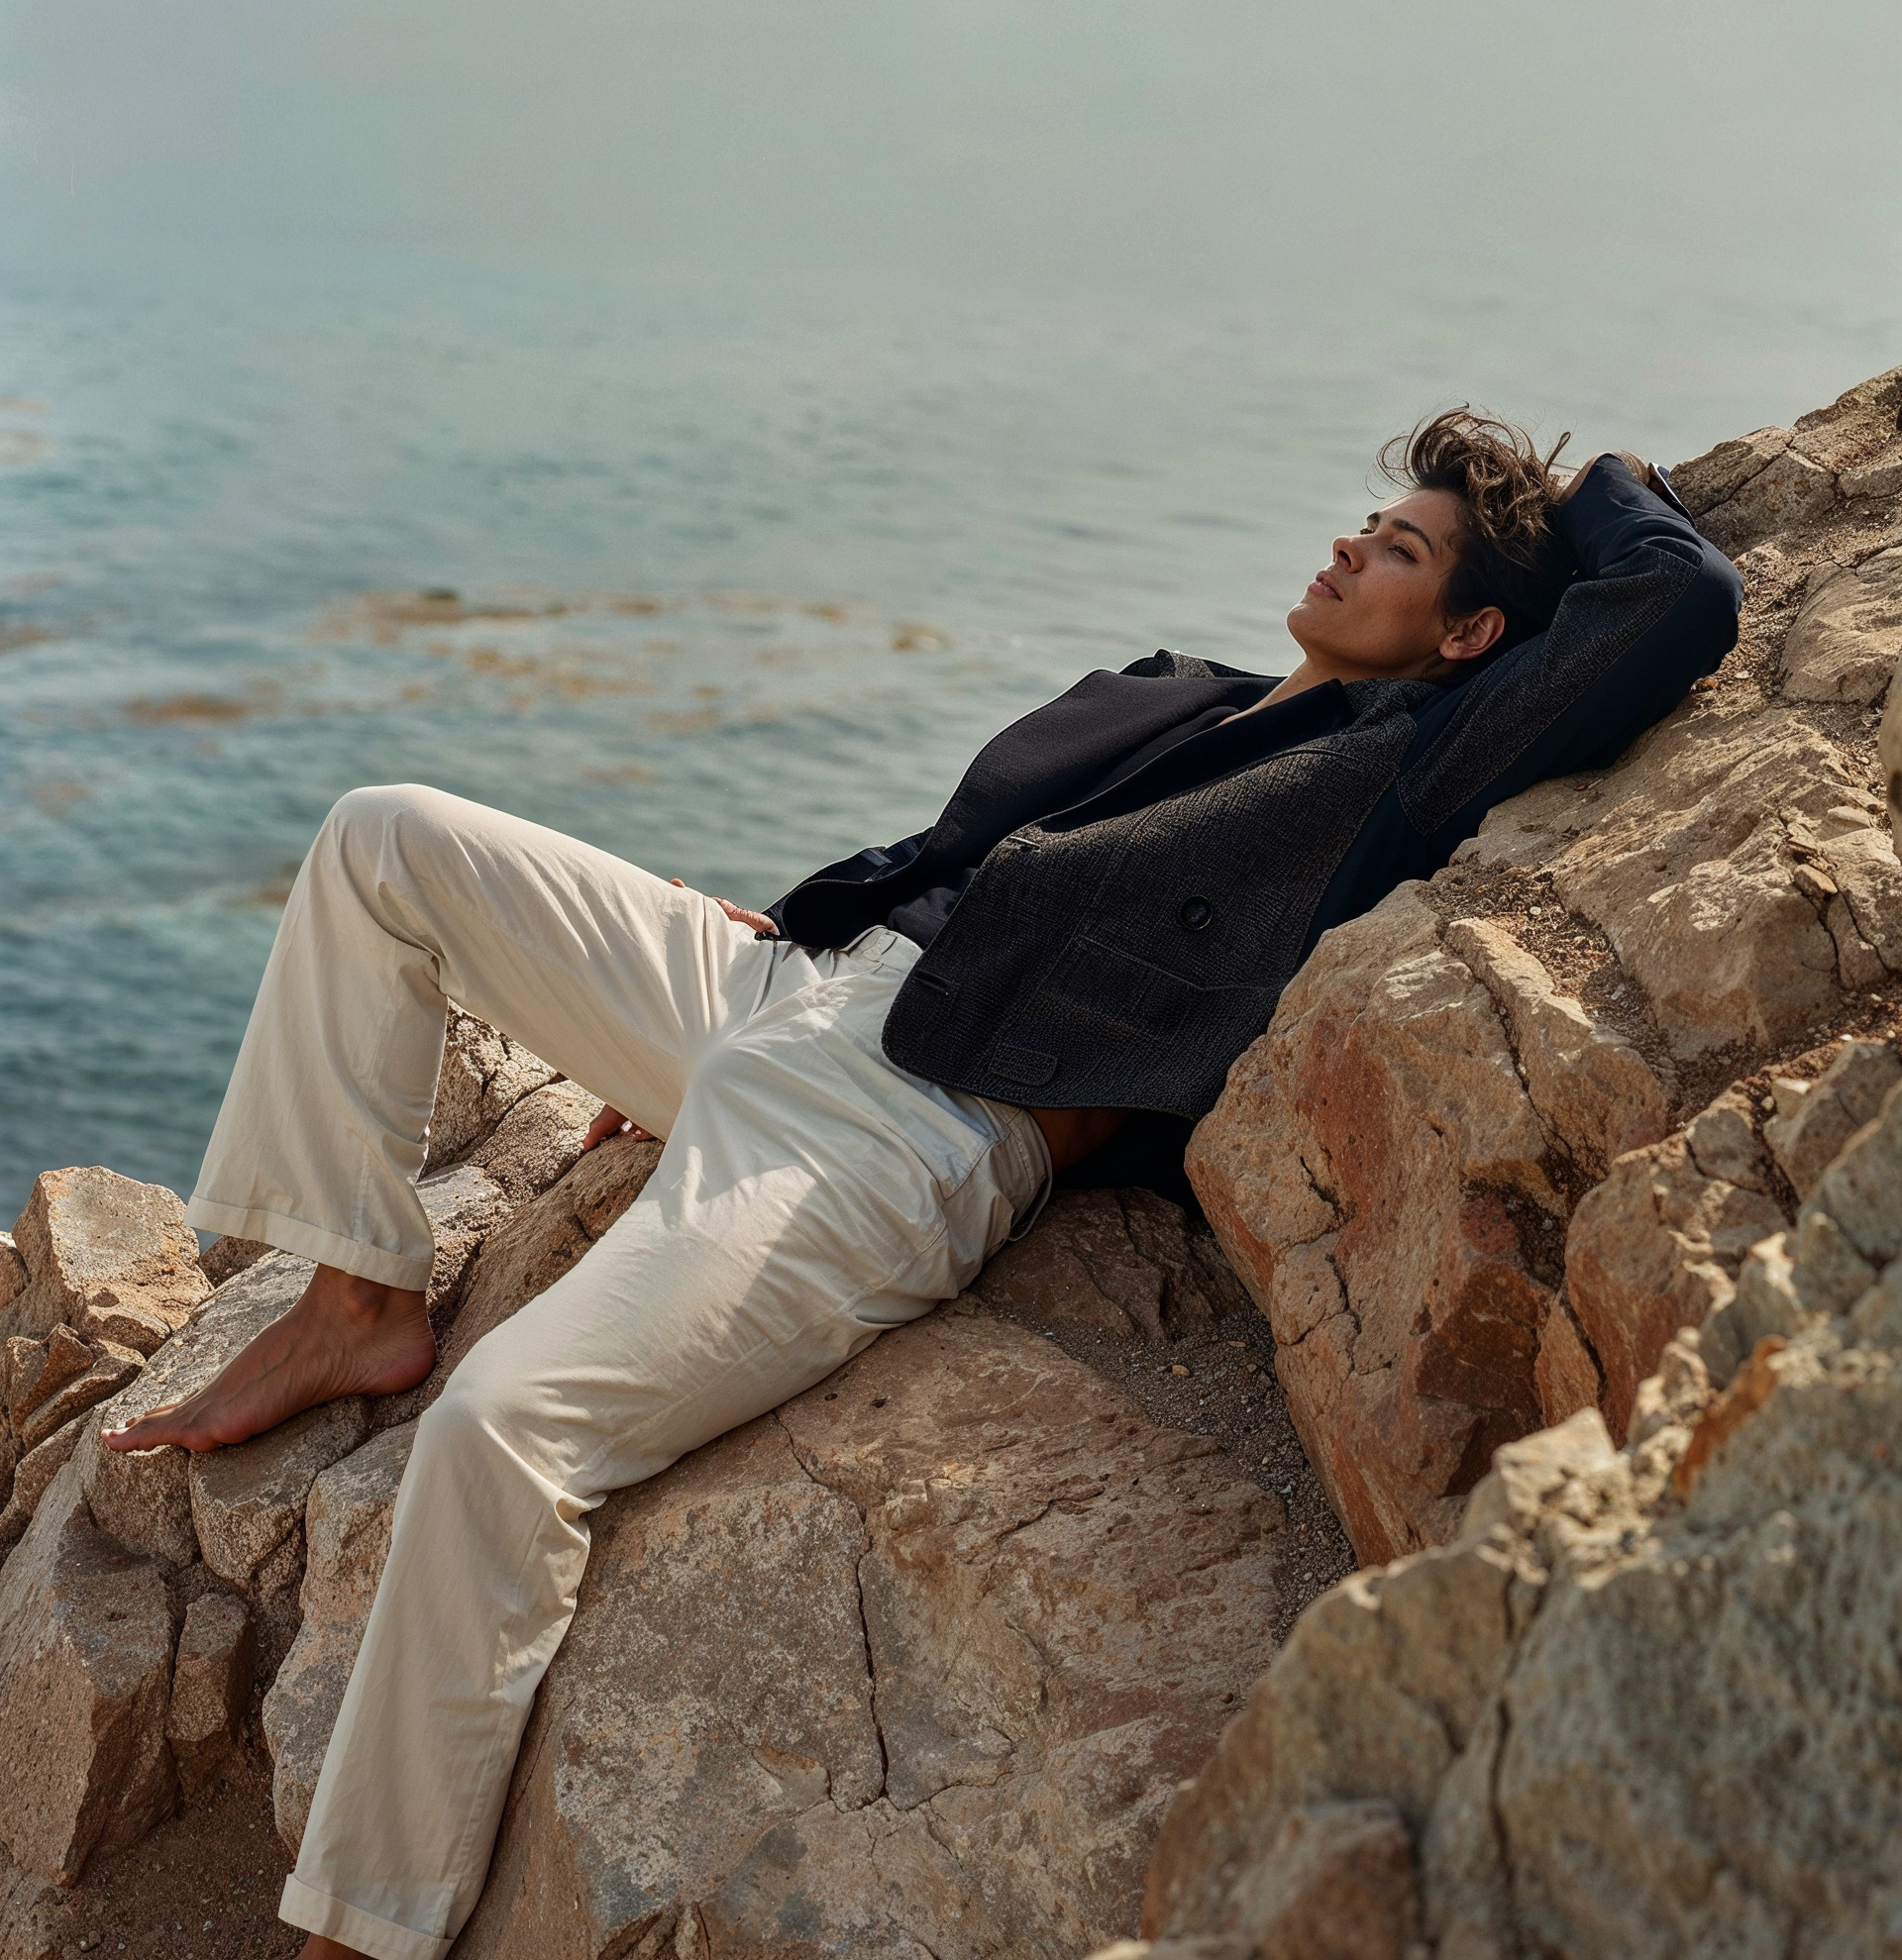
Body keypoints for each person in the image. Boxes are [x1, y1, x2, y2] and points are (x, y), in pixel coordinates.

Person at [105, 410, 1740, 1960]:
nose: (1348, 546)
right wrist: (771, 939)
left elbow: (1680, 596)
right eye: (1367, 521)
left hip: (905, 1119)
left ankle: (360, 1923)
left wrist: (1583, 484)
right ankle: (359, 1299)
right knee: (383, 836)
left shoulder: (1405, 764)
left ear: (1466, 634)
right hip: (786, 987)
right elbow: (959, 861)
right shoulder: (1187, 696)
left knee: (499, 1433)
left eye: (1399, 550)